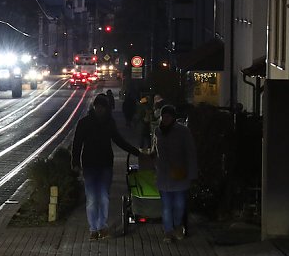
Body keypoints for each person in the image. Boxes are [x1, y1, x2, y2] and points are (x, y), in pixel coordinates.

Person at [71, 93, 142, 240]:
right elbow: (77, 143)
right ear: (94, 106)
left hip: (105, 165)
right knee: (91, 198)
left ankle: (102, 226)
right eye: (97, 106)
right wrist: (75, 163)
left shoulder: (110, 123)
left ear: (106, 108)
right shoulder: (84, 123)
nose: (100, 109)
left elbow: (119, 140)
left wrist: (137, 152)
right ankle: (93, 228)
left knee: (103, 197)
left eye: (102, 107)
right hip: (90, 165)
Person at [148, 105, 198, 242]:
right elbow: (155, 148)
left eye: (168, 116)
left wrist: (192, 173)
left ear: (173, 117)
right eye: (164, 116)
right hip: (163, 174)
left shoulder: (183, 131)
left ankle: (177, 226)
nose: (165, 119)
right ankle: (168, 231)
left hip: (179, 174)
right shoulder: (158, 131)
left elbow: (190, 152)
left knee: (179, 204)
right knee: (166, 205)